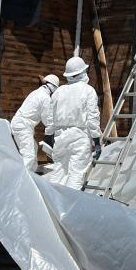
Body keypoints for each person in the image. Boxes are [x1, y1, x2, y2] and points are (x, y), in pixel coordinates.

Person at [43, 56, 101, 188]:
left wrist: (48, 135)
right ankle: (68, 206)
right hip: (79, 136)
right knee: (76, 174)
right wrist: (97, 139)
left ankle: (52, 204)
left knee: (58, 172)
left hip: (60, 137)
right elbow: (92, 118)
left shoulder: (59, 91)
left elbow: (50, 117)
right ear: (82, 73)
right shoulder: (88, 91)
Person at [10, 74, 59, 172]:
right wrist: (55, 127)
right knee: (29, 155)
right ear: (53, 87)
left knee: (34, 147)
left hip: (19, 123)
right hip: (23, 125)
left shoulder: (36, 92)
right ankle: (19, 179)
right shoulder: (45, 98)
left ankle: (31, 175)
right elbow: (46, 119)